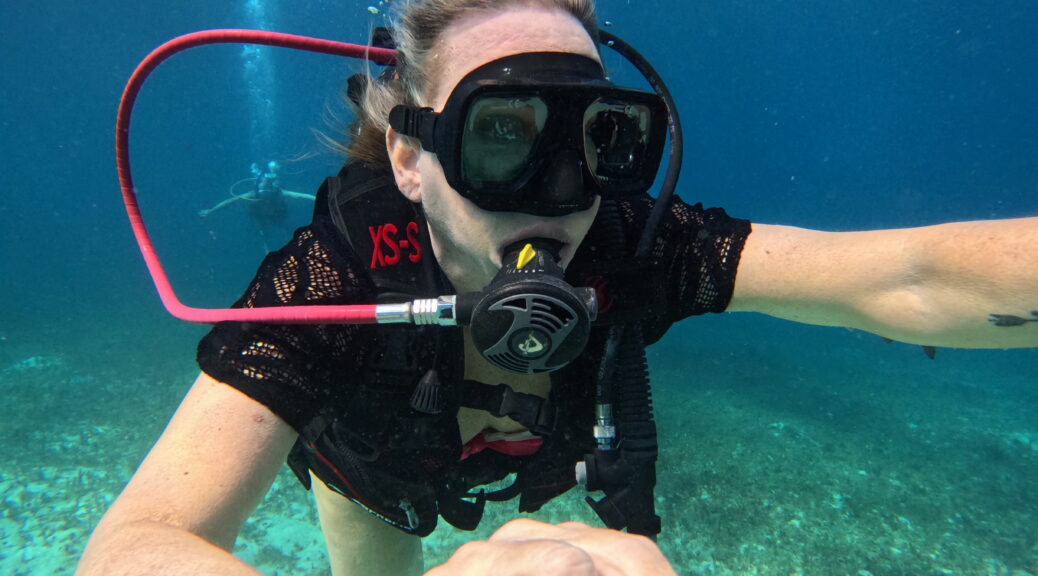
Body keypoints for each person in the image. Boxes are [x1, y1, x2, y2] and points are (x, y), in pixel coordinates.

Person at [78, 1, 1038, 575]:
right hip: (374, 477)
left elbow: (908, 277)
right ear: (412, 156)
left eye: (596, 137)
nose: (564, 194)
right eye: (504, 132)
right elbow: (134, 544)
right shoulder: (334, 274)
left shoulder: (630, 244)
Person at [200, 160, 317, 250]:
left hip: (274, 214)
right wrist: (211, 211)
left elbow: (303, 196)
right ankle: (269, 248)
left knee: (277, 229)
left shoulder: (277, 193)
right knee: (265, 232)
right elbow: (230, 202)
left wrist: (211, 211)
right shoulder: (259, 194)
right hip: (262, 215)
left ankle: (278, 245)